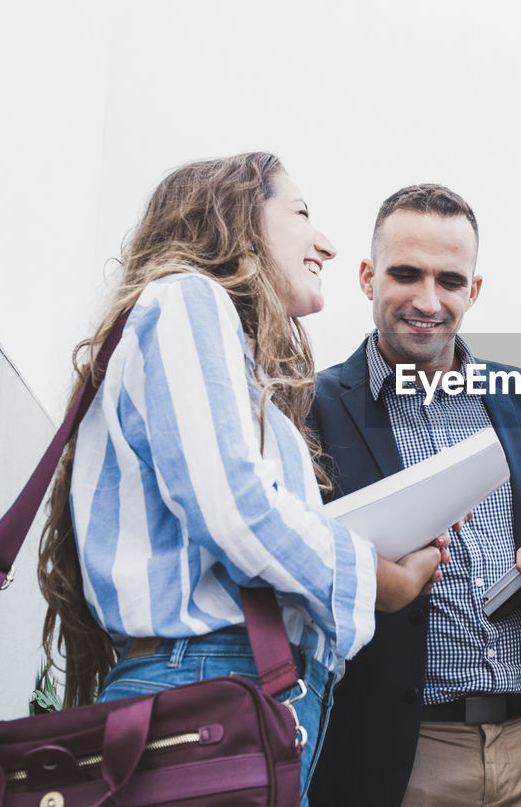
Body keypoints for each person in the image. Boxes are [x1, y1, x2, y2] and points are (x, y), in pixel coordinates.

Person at [37, 152, 448, 802]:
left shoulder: (230, 360)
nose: (329, 245)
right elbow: (238, 510)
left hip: (241, 702)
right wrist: (376, 578)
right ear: (236, 215)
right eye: (302, 213)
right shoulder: (186, 300)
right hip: (211, 693)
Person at [308, 183, 521, 806]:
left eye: (450, 281)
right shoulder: (312, 408)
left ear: (472, 291)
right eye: (406, 274)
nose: (429, 300)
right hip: (403, 754)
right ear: (368, 276)